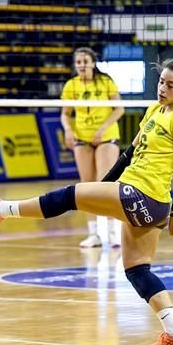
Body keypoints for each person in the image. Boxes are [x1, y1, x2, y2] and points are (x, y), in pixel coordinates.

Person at [0, 38, 173, 345]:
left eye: (170, 85)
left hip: (146, 195)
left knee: (70, 195)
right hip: (139, 194)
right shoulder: (155, 109)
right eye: (160, 82)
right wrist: (104, 185)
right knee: (137, 269)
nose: (162, 89)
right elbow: (129, 154)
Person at [61, 47, 125, 248]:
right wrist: (68, 130)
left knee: (105, 184)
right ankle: (94, 234)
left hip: (106, 136)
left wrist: (103, 128)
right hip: (82, 137)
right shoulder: (71, 85)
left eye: (85, 61)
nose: (81, 65)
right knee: (86, 186)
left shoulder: (105, 82)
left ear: (93, 62)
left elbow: (119, 109)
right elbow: (65, 113)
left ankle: (114, 232)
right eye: (78, 62)